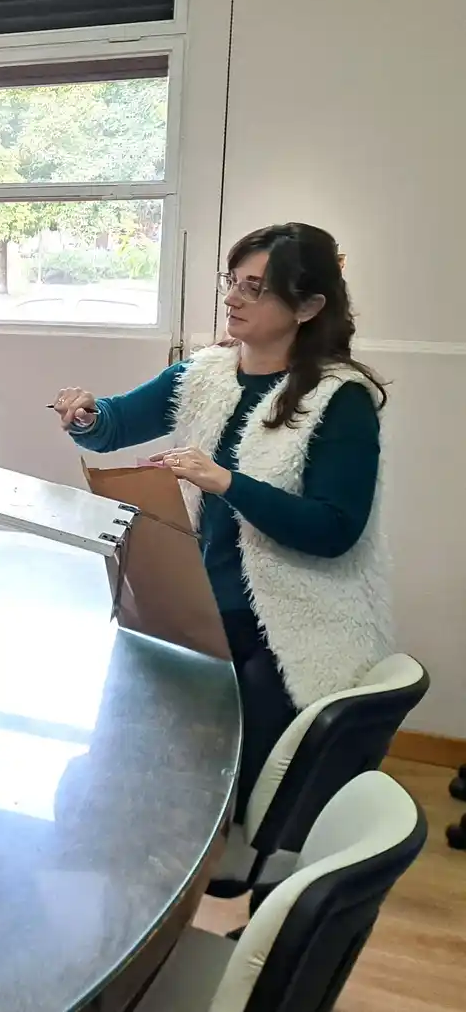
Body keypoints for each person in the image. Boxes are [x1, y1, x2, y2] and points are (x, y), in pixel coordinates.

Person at [51, 223, 391, 818]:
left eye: (255, 288)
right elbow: (115, 424)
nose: (232, 298)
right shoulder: (207, 371)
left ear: (308, 306)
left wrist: (228, 483)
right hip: (202, 605)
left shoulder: (341, 399)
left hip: (284, 624)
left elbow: (335, 530)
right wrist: (85, 415)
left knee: (226, 792)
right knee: (135, 753)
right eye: (231, 281)